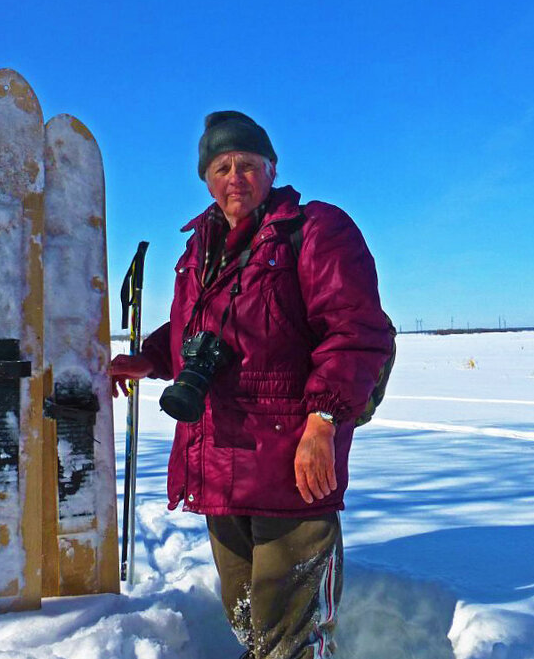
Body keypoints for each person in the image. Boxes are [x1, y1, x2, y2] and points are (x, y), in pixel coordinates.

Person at [111, 110, 392, 659]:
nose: (233, 176)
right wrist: (149, 359)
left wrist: (324, 422)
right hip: (217, 456)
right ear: (206, 179)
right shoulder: (200, 248)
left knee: (291, 627)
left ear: (271, 167)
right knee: (247, 613)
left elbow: (356, 331)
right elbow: (199, 330)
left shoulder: (314, 231)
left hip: (290, 461)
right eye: (220, 166)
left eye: (246, 163)